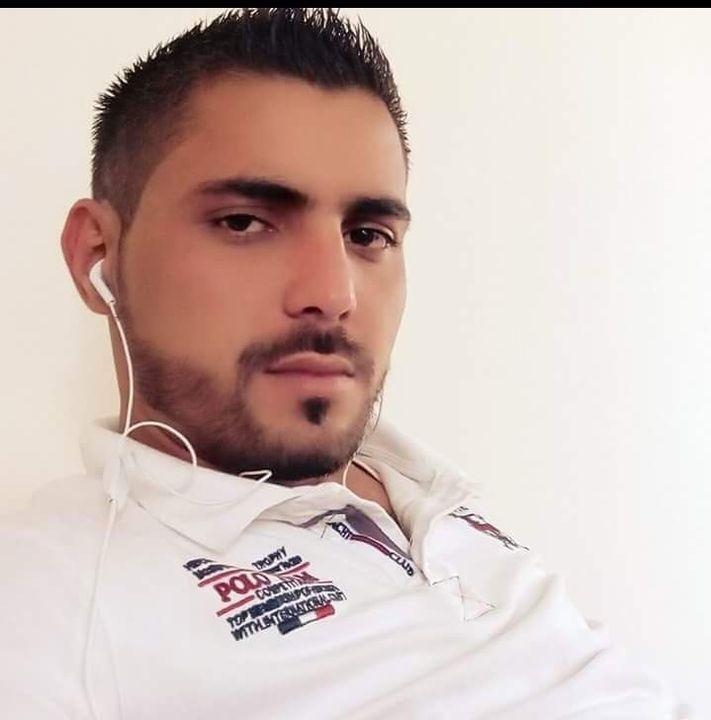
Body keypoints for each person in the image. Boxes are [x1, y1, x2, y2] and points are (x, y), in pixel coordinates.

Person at [0, 8, 689, 719]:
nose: (334, 294)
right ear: (97, 256)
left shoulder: (428, 490)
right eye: (244, 222)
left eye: (367, 234)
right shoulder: (52, 604)